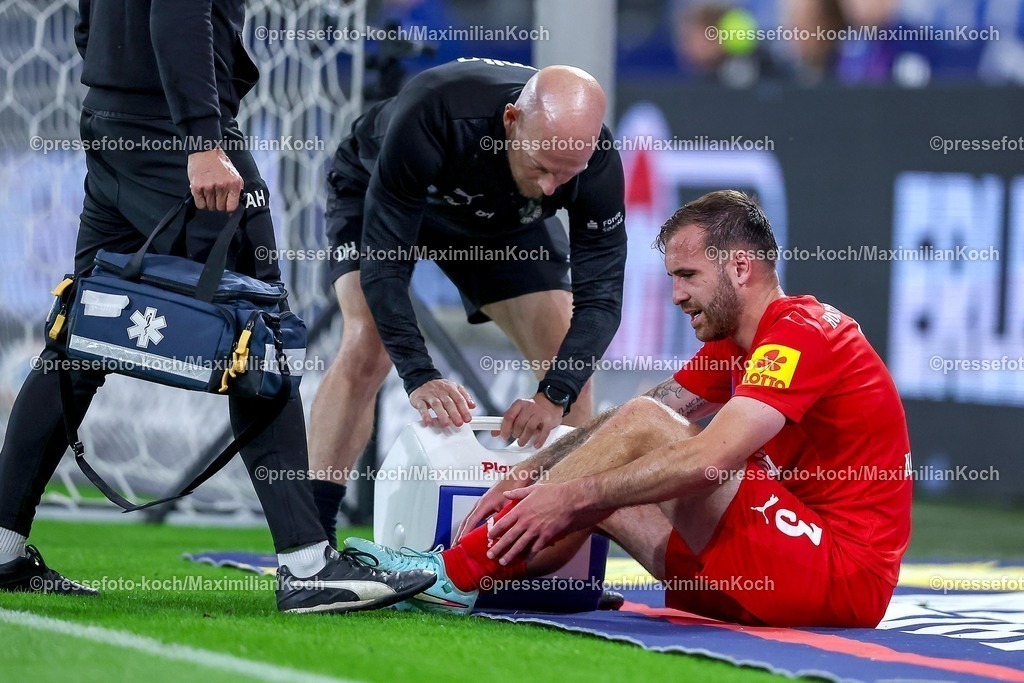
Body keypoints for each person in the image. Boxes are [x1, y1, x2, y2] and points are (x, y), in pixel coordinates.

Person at [0, 0, 435, 614]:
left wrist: (120, 90)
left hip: (111, 120)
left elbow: (88, 19)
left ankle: (2, 545)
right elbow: (178, 11)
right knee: (261, 335)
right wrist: (203, 139)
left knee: (85, 330)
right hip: (178, 135)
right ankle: (307, 565)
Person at [346, 190, 913, 627]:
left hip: (840, 580)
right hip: (763, 576)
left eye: (688, 276)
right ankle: (473, 582)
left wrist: (571, 494)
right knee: (616, 465)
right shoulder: (735, 345)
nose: (677, 295)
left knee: (628, 449)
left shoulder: (804, 334)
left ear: (740, 268)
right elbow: (626, 423)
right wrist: (534, 471)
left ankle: (455, 572)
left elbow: (706, 460)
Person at [311, 58, 627, 546]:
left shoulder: (594, 161)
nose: (551, 187)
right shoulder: (434, 113)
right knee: (367, 343)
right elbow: (385, 269)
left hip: (501, 221)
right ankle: (311, 543)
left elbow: (602, 298)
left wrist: (554, 395)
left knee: (569, 366)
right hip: (382, 189)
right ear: (511, 120)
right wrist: (419, 374)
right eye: (542, 167)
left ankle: (558, 552)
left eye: (567, 176)